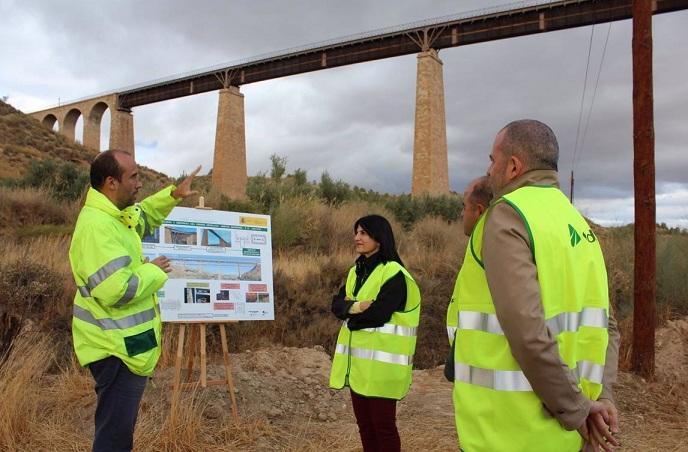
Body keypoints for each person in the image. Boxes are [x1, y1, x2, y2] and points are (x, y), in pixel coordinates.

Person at [451, 120, 620, 452]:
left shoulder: (508, 216)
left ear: (513, 166)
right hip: (566, 437)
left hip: (508, 432)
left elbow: (527, 332)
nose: (489, 170)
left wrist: (577, 410)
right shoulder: (576, 222)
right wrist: (601, 398)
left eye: (492, 160)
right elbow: (607, 327)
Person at [69, 149, 200, 452]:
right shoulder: (97, 227)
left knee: (120, 429)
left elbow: (144, 217)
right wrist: (153, 272)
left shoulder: (117, 217)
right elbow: (116, 289)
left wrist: (174, 194)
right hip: (113, 350)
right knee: (115, 436)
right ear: (111, 183)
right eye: (134, 176)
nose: (140, 183)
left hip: (127, 344)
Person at [329, 215, 421, 452]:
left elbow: (378, 314)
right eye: (356, 232)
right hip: (359, 369)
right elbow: (336, 306)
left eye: (364, 233)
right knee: (365, 426)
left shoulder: (394, 274)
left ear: (379, 238)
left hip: (382, 371)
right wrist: (357, 307)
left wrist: (349, 314)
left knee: (383, 428)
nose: (357, 238)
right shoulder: (355, 272)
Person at [446, 176, 493, 345]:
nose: (461, 213)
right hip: (471, 353)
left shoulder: (491, 242)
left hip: (485, 356)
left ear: (479, 210)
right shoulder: (480, 240)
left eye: (464, 207)